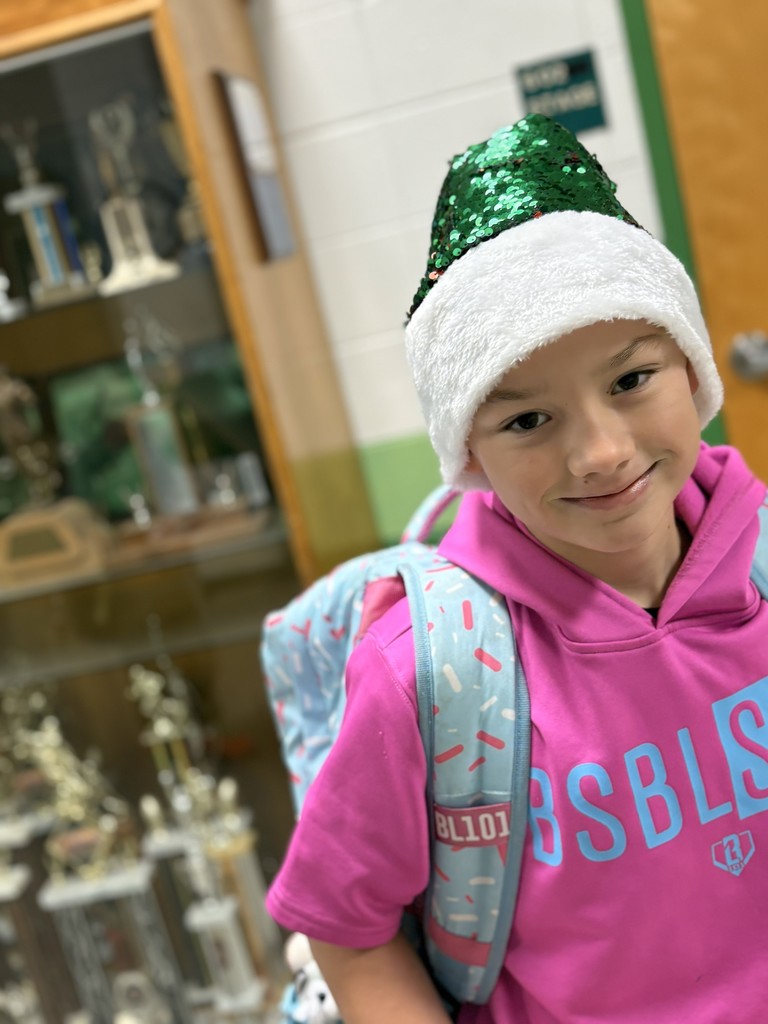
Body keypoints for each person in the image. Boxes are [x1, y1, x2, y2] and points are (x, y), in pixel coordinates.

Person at [265, 114, 768, 1022]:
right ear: (468, 454)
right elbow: (346, 923)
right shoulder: (431, 670)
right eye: (527, 421)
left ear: (692, 370)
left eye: (630, 381)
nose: (601, 454)